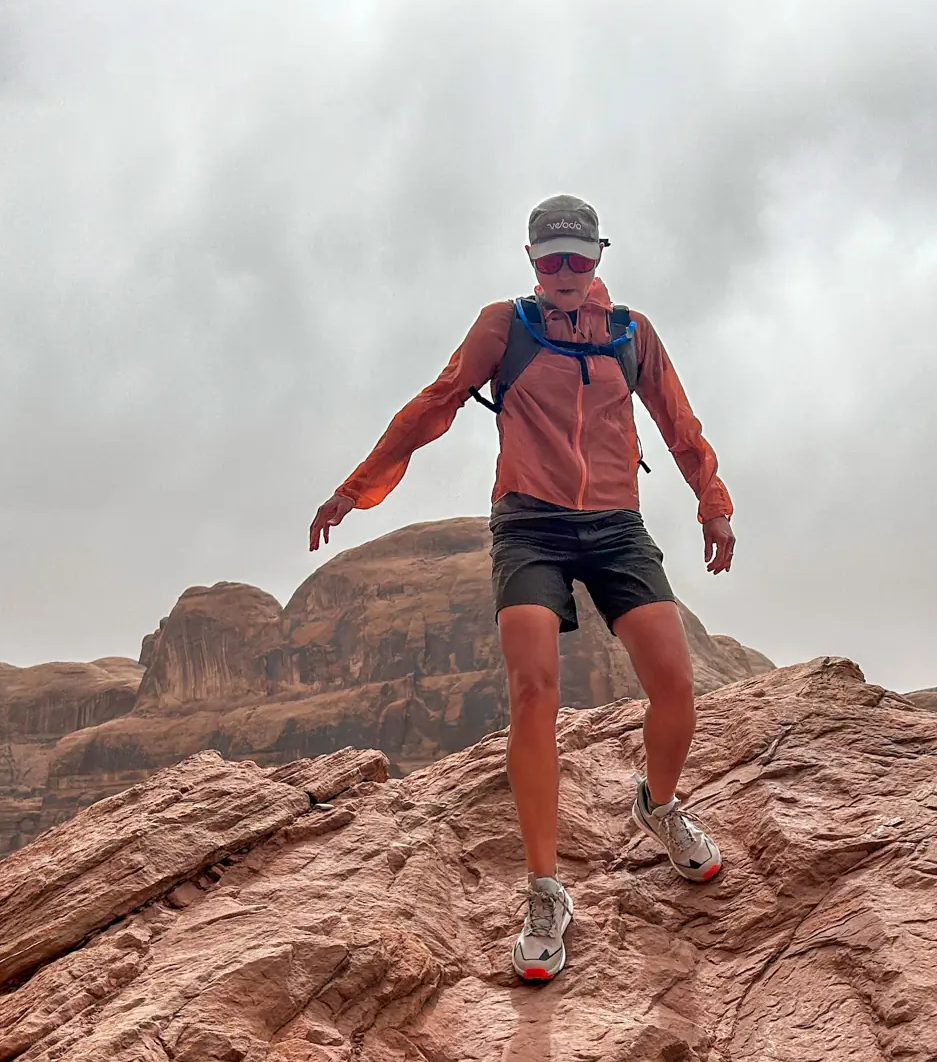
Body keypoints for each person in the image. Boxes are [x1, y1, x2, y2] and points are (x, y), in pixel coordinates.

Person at [309, 194, 737, 983]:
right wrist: (354, 490)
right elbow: (433, 406)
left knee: (675, 683)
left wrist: (714, 504)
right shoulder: (504, 326)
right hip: (530, 525)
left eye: (580, 258)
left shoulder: (631, 334)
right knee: (535, 690)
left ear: (600, 257)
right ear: (532, 261)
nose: (567, 273)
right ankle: (546, 892)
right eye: (552, 260)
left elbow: (680, 424)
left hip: (614, 525)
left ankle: (661, 807)